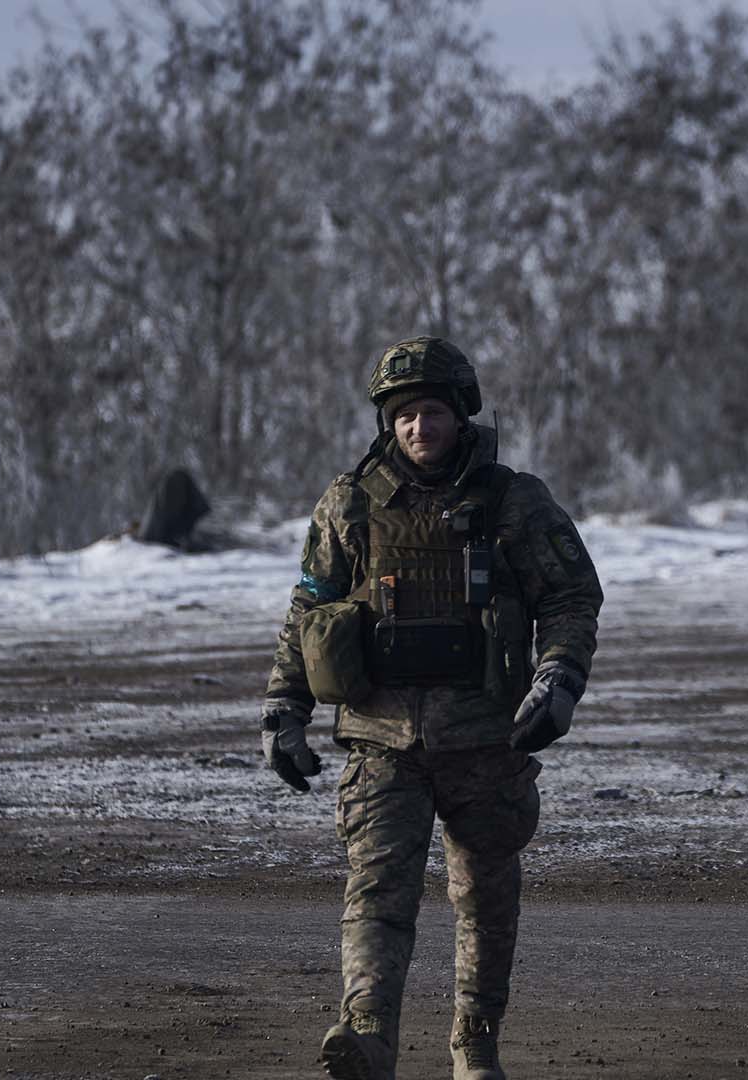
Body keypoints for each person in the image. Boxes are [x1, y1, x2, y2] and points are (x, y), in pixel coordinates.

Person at [259, 336, 602, 1079]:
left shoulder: (514, 501)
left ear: (461, 415)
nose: (421, 428)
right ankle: (368, 1036)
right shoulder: (349, 505)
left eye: (434, 413)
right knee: (378, 891)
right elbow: (308, 608)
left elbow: (572, 597)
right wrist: (284, 710)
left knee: (484, 897)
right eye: (407, 415)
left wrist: (559, 679)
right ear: (390, 423)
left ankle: (476, 1046)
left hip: (487, 739)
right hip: (382, 739)